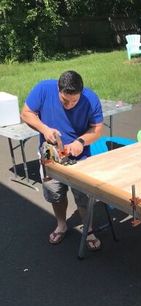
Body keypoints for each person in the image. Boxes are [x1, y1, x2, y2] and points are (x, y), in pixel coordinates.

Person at [21, 70, 103, 249]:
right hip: (50, 155)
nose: (70, 105)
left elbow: (97, 128)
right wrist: (44, 129)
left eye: (75, 101)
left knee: (83, 196)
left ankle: (88, 229)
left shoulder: (90, 99)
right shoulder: (43, 89)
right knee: (55, 194)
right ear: (58, 89)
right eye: (65, 100)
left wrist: (81, 141)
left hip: (80, 157)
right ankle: (61, 224)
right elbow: (26, 113)